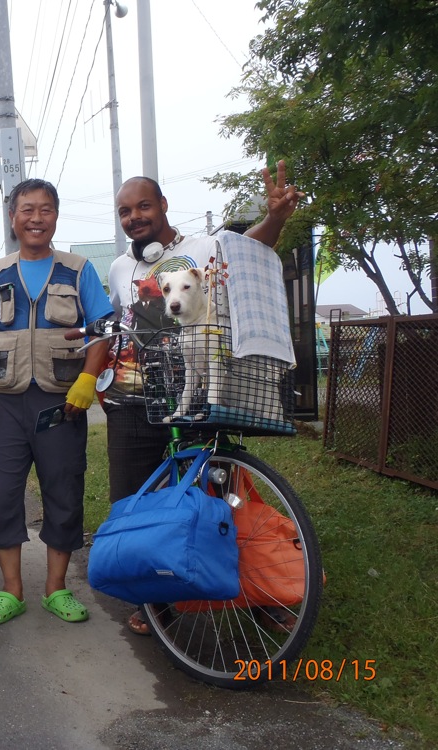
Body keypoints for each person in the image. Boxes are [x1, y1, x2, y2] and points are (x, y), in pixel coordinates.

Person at [106, 160, 304, 635]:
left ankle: (260, 592)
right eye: (125, 211)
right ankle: (153, 600)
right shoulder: (119, 267)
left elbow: (253, 247)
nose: (134, 217)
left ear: (164, 206)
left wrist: (275, 216)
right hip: (137, 398)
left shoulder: (203, 247)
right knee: (139, 500)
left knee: (221, 498)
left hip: (200, 397)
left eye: (144, 206)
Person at [0, 178, 113, 625]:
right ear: (13, 218)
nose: (35, 218)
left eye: (44, 209)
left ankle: (56, 589)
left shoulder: (78, 269)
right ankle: (12, 591)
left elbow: (102, 329)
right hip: (4, 406)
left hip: (62, 404)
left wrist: (87, 380)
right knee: (3, 497)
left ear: (55, 216)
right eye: (26, 210)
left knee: (64, 493)